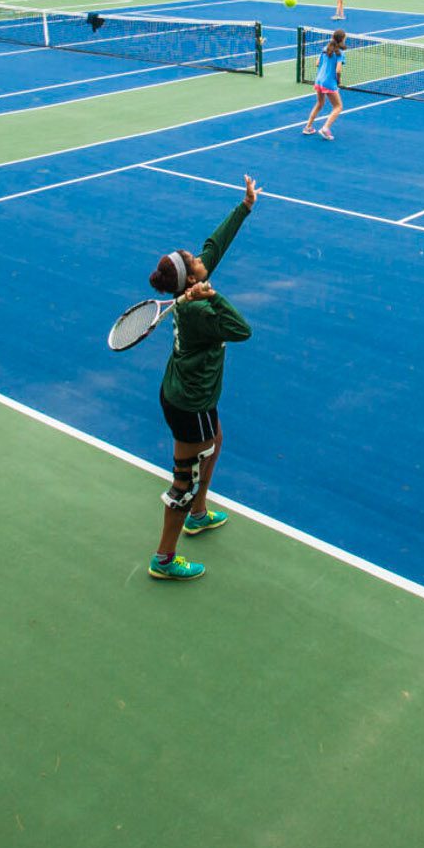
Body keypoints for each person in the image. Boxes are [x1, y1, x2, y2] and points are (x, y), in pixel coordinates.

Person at [146, 174, 261, 582]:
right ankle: (163, 557)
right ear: (193, 279)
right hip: (188, 402)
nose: (198, 256)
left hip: (195, 393)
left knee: (216, 442)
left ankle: (198, 514)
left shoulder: (191, 285)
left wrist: (244, 207)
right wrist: (214, 297)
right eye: (192, 261)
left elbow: (214, 246)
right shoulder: (197, 309)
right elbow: (241, 330)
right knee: (184, 479)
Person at [303, 29, 346, 140]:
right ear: (342, 39)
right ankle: (325, 129)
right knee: (338, 107)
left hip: (319, 81)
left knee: (320, 104)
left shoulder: (325, 49)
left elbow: (317, 63)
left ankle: (308, 127)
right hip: (329, 83)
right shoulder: (341, 53)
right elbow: (338, 70)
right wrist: (338, 81)